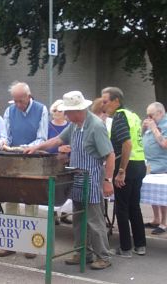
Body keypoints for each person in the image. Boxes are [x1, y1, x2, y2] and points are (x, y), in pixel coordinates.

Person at [24, 90, 115, 270]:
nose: (66, 115)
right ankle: (83, 252)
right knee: (79, 219)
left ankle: (103, 256)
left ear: (78, 110)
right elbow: (58, 140)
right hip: (78, 177)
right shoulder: (74, 125)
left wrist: (107, 180)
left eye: (68, 112)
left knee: (95, 220)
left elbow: (110, 155)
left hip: (93, 178)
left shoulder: (96, 126)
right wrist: (36, 147)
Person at [0, 81, 48, 259]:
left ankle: (30, 244)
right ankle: (10, 243)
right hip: (12, 159)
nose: (18, 105)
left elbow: (42, 137)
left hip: (32, 159)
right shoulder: (9, 110)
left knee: (30, 201)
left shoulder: (41, 110)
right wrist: (3, 142)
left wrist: (27, 147)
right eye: (15, 101)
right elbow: (6, 133)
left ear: (29, 96)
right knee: (10, 200)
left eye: (21, 101)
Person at [101, 86, 146, 257]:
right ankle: (140, 245)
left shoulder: (120, 116)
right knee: (134, 206)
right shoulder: (133, 115)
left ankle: (125, 248)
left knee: (122, 207)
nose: (104, 106)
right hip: (139, 163)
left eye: (106, 102)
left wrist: (121, 171)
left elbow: (127, 144)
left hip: (126, 165)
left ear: (116, 101)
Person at [142, 102, 167, 235]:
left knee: (162, 196)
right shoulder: (153, 123)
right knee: (154, 194)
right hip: (150, 164)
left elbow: (164, 144)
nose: (149, 117)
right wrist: (144, 127)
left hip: (162, 165)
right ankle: (156, 219)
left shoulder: (165, 125)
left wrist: (154, 128)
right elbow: (142, 138)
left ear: (160, 113)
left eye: (151, 115)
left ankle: (164, 222)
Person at [47, 99, 72, 225]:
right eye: (54, 110)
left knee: (66, 187)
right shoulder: (47, 126)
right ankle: (53, 214)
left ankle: (65, 214)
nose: (56, 113)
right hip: (52, 161)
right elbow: (46, 143)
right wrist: (58, 148)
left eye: (59, 110)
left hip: (68, 160)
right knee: (54, 188)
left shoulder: (70, 126)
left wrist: (69, 148)